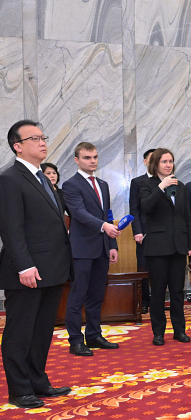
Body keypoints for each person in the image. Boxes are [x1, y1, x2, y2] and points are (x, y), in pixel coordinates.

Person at [0, 120, 73, 408]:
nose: (42, 142)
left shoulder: (43, 177)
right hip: (27, 271)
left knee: (42, 330)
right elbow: (11, 228)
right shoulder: (10, 178)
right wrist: (23, 266)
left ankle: (38, 381)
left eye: (43, 137)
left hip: (51, 268)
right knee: (20, 331)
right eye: (34, 138)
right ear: (18, 146)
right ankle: (20, 390)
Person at [62, 142, 122, 356]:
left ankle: (94, 335)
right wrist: (104, 226)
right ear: (76, 160)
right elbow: (78, 213)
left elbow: (107, 214)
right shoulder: (71, 185)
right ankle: (75, 341)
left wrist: (112, 244)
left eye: (95, 157)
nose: (92, 161)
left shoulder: (103, 184)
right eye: (87, 157)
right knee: (77, 296)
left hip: (102, 248)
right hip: (81, 249)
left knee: (96, 296)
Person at [139, 149, 191, 345]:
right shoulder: (146, 185)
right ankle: (158, 333)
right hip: (157, 247)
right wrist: (161, 187)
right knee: (158, 292)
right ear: (155, 164)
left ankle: (179, 330)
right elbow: (146, 207)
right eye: (164, 161)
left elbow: (186, 216)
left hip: (178, 246)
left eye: (170, 161)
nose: (168, 165)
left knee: (178, 291)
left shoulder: (181, 187)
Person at [130, 148, 156, 313]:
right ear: (145, 162)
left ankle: (158, 300)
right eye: (151, 159)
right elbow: (134, 209)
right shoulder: (137, 182)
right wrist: (137, 231)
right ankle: (145, 300)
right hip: (144, 232)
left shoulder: (168, 180)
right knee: (144, 267)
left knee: (161, 268)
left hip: (163, 232)